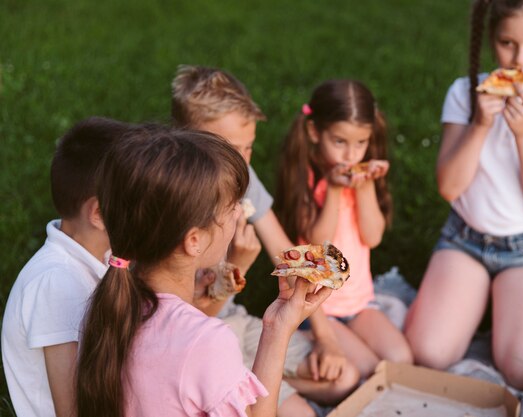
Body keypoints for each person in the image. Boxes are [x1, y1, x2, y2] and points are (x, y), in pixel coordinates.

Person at [75, 126, 331, 417]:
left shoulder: (106, 309)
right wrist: (280, 329)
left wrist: (275, 325)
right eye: (231, 206)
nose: (239, 213)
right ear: (194, 241)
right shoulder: (205, 341)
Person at [403, 0, 523, 390]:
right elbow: (449, 187)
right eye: (508, 43)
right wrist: (480, 124)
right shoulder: (464, 92)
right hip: (465, 239)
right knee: (429, 352)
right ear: (492, 38)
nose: (520, 59)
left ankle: (508, 309)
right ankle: (481, 302)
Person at [171, 66, 359, 416]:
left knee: (343, 376)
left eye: (249, 147)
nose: (242, 161)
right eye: (229, 148)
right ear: (186, 139)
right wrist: (236, 270)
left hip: (236, 324)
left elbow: (286, 252)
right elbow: (181, 323)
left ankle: (250, 387)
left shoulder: (241, 176)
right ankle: (241, 390)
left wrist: (326, 338)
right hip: (199, 340)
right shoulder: (173, 203)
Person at [275, 79, 414, 378]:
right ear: (314, 132)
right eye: (340, 142)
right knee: (365, 370)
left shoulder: (360, 180)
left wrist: (365, 189)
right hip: (320, 307)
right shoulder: (307, 181)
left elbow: (372, 237)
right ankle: (309, 339)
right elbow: (318, 243)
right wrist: (334, 191)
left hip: (359, 301)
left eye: (361, 143)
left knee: (401, 358)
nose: (351, 155)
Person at [1, 117, 132, 417]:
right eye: (139, 198)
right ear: (99, 213)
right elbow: (73, 410)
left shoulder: (94, 262)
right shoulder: (57, 284)